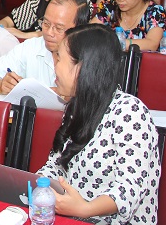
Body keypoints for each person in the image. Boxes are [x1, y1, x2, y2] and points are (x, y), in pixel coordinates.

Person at [37, 24, 160, 224]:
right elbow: (57, 164)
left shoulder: (130, 112)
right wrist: (39, 184)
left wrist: (86, 209)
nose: (54, 66)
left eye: (59, 58)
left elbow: (130, 187)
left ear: (82, 67)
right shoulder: (76, 106)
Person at [0, 0, 90, 94]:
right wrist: (0, 85)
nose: (49, 32)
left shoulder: (92, 57)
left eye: (59, 28)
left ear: (79, 29)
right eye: (46, 23)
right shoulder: (32, 47)